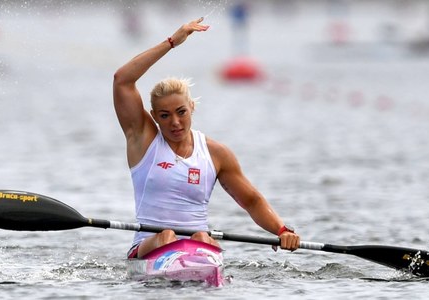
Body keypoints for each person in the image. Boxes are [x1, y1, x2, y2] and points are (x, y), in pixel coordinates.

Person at [113, 17, 300, 259]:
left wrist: (282, 230)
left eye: (181, 112)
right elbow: (122, 80)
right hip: (149, 248)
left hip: (198, 247)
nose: (175, 122)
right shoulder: (143, 140)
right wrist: (171, 42)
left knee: (202, 237)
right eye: (165, 115)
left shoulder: (215, 153)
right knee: (167, 235)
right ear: (154, 117)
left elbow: (251, 201)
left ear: (191, 107)